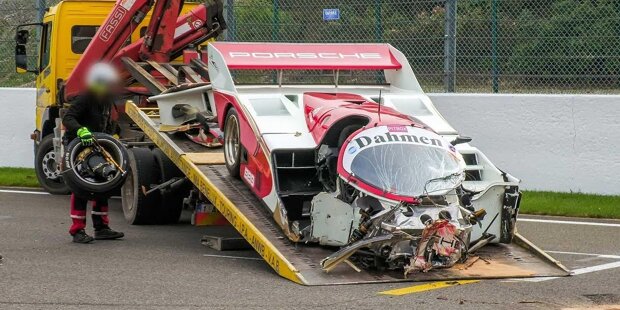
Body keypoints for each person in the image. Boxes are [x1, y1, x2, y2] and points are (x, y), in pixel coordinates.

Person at [62, 63, 125, 244]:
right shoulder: (85, 98)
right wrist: (81, 130)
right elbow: (68, 117)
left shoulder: (106, 100)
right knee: (81, 188)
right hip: (79, 147)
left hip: (98, 146)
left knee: (104, 184)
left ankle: (101, 228)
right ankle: (77, 230)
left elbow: (108, 123)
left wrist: (115, 134)